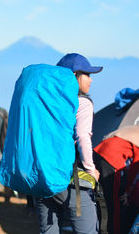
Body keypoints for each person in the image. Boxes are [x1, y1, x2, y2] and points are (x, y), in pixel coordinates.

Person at [36, 53, 102, 234]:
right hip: (72, 180)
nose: (90, 80)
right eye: (87, 74)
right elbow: (82, 136)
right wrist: (91, 171)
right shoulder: (82, 103)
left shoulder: (46, 101)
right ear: (74, 76)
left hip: (43, 177)